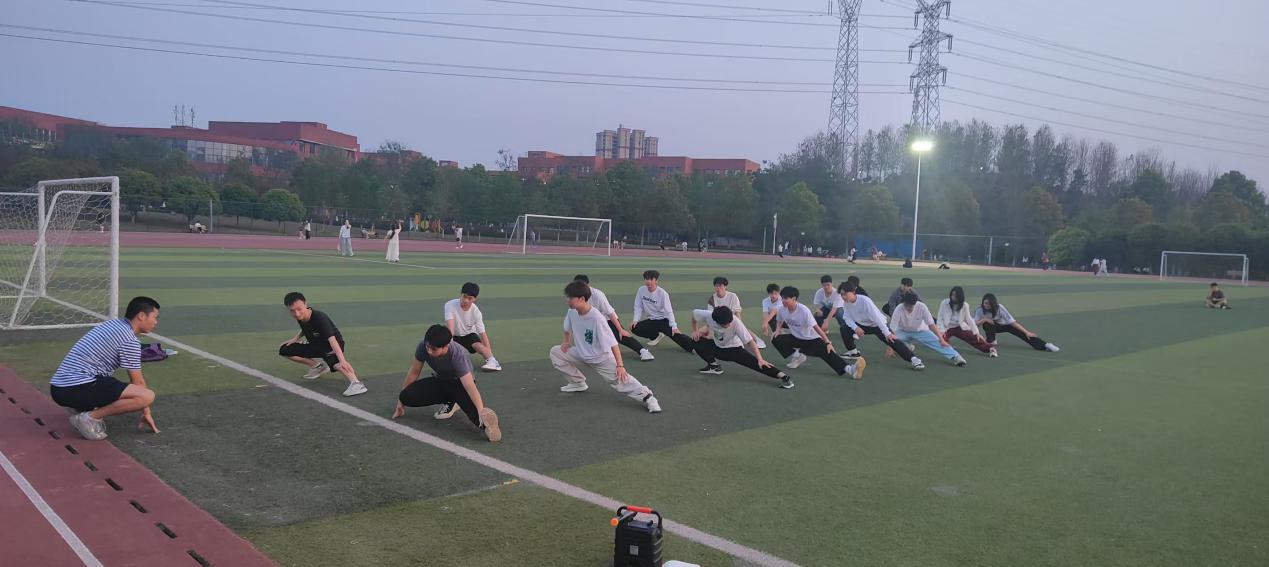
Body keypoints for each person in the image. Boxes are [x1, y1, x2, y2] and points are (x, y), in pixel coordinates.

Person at [50, 296, 161, 440]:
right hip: (74, 387)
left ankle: (81, 407)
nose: (156, 322)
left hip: (59, 386)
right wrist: (146, 411)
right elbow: (138, 382)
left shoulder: (114, 324)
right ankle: (88, 418)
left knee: (111, 384)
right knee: (146, 396)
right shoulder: (129, 340)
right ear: (141, 316)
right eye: (155, 317)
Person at [552, 282, 662, 413]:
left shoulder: (596, 317)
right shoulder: (572, 312)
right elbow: (567, 328)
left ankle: (649, 398)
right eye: (567, 297)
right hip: (581, 354)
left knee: (623, 382)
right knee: (556, 352)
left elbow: (613, 343)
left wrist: (620, 366)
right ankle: (578, 383)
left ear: (582, 298)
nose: (567, 300)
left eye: (571, 297)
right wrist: (565, 342)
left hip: (601, 359)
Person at [392, 325, 501, 442]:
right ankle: (451, 401)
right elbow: (414, 372)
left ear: (446, 346)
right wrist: (400, 402)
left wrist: (481, 411)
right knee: (406, 396)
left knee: (474, 412)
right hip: (441, 381)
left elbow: (469, 386)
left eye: (434, 349)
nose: (429, 351)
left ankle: (488, 426)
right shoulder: (423, 345)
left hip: (460, 385)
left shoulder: (457, 354)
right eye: (428, 347)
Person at [278, 291, 367, 396]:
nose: (297, 313)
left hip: (331, 345)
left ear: (305, 304)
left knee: (336, 364)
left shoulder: (320, 318)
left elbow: (332, 340)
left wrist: (342, 360)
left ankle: (356, 384)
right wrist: (295, 338)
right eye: (292, 311)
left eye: (299, 309)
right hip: (315, 344)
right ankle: (318, 367)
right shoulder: (301, 316)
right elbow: (305, 328)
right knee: (284, 349)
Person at [771, 286, 864, 378]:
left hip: (812, 339)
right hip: (796, 338)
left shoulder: (803, 310)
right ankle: (798, 356)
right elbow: (779, 320)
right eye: (782, 298)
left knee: (827, 351)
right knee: (775, 338)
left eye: (786, 298)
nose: (783, 301)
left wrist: (828, 342)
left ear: (794, 298)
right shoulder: (782, 309)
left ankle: (850, 370)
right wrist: (777, 330)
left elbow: (816, 328)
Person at [691, 307, 793, 389]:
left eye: (730, 322)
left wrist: (760, 359)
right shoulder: (708, 315)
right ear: (716, 321)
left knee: (756, 362)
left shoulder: (736, 322)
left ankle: (783, 376)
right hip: (717, 347)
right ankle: (714, 366)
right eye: (726, 324)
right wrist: (695, 330)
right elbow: (694, 315)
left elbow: (750, 342)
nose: (729, 325)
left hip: (733, 350)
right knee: (695, 340)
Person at [837, 281, 924, 370]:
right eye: (841, 294)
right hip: (862, 325)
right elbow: (847, 317)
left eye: (845, 294)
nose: (843, 297)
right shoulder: (846, 303)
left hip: (877, 324)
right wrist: (856, 328)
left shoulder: (865, 301)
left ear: (853, 292)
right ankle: (853, 352)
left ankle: (915, 360)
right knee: (844, 328)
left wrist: (887, 333)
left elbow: (877, 318)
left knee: (892, 340)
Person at [574, 274, 654, 362]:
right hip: (591, 320)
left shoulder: (598, 295)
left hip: (607, 318)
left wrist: (620, 329)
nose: (580, 290)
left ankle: (643, 351)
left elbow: (610, 313)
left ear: (587, 285)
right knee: (590, 337)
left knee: (620, 336)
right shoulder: (575, 295)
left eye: (582, 287)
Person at [890, 292, 966, 366]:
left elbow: (932, 324)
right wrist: (891, 346)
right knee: (892, 339)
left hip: (921, 331)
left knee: (938, 342)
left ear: (915, 304)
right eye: (906, 306)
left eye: (910, 306)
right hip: (903, 331)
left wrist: (941, 340)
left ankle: (956, 357)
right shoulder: (899, 308)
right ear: (904, 303)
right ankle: (907, 346)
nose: (908, 308)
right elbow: (892, 329)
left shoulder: (922, 307)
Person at [631, 270, 696, 352]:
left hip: (663, 320)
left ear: (656, 281)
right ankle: (656, 336)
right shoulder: (641, 290)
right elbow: (638, 306)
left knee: (675, 334)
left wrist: (674, 326)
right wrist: (635, 320)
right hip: (652, 320)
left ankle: (694, 346)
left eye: (651, 279)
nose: (648, 281)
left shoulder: (662, 294)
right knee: (634, 328)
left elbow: (669, 311)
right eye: (646, 279)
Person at [444, 283, 503, 372]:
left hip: (469, 335)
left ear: (475, 299)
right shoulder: (450, 305)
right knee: (442, 340)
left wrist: (489, 355)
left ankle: (493, 362)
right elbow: (450, 329)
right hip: (454, 336)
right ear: (461, 294)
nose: (466, 300)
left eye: (470, 298)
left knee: (478, 345)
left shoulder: (476, 312)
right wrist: (449, 349)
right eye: (464, 296)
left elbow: (482, 334)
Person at [975, 293, 1060, 352]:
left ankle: (1045, 345)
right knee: (986, 324)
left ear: (993, 304)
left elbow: (1012, 322)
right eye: (985, 303)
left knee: (1023, 333)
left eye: (989, 304)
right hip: (993, 326)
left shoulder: (1000, 308)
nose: (986, 305)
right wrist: (984, 319)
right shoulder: (979, 309)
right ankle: (991, 340)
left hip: (1005, 325)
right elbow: (975, 324)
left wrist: (1026, 332)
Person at [705, 276, 765, 348]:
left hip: (732, 319)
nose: (718, 288)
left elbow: (737, 312)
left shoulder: (732, 296)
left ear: (725, 286)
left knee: (742, 329)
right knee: (705, 330)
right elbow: (711, 315)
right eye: (716, 286)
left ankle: (757, 340)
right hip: (719, 321)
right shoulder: (712, 299)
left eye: (720, 286)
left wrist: (739, 323)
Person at [937, 286, 996, 357]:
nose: (953, 297)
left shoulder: (965, 305)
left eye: (955, 296)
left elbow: (969, 319)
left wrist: (976, 332)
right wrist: (942, 330)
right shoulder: (944, 303)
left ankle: (991, 349)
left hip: (959, 327)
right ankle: (952, 352)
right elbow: (940, 318)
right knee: (941, 340)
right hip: (946, 328)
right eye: (952, 295)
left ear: (960, 297)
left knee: (975, 338)